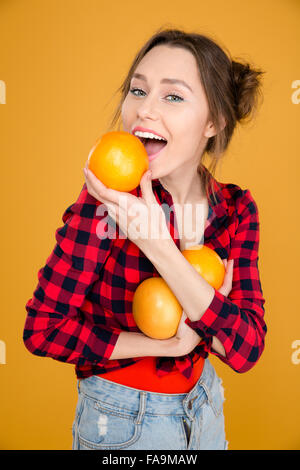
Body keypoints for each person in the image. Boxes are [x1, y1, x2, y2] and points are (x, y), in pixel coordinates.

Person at [23, 27, 267, 450]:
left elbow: (245, 348)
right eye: (138, 91)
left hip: (205, 408)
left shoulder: (235, 211)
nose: (143, 111)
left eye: (172, 96)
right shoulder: (105, 204)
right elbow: (43, 330)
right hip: (121, 419)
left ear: (214, 121)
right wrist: (174, 344)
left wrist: (157, 243)